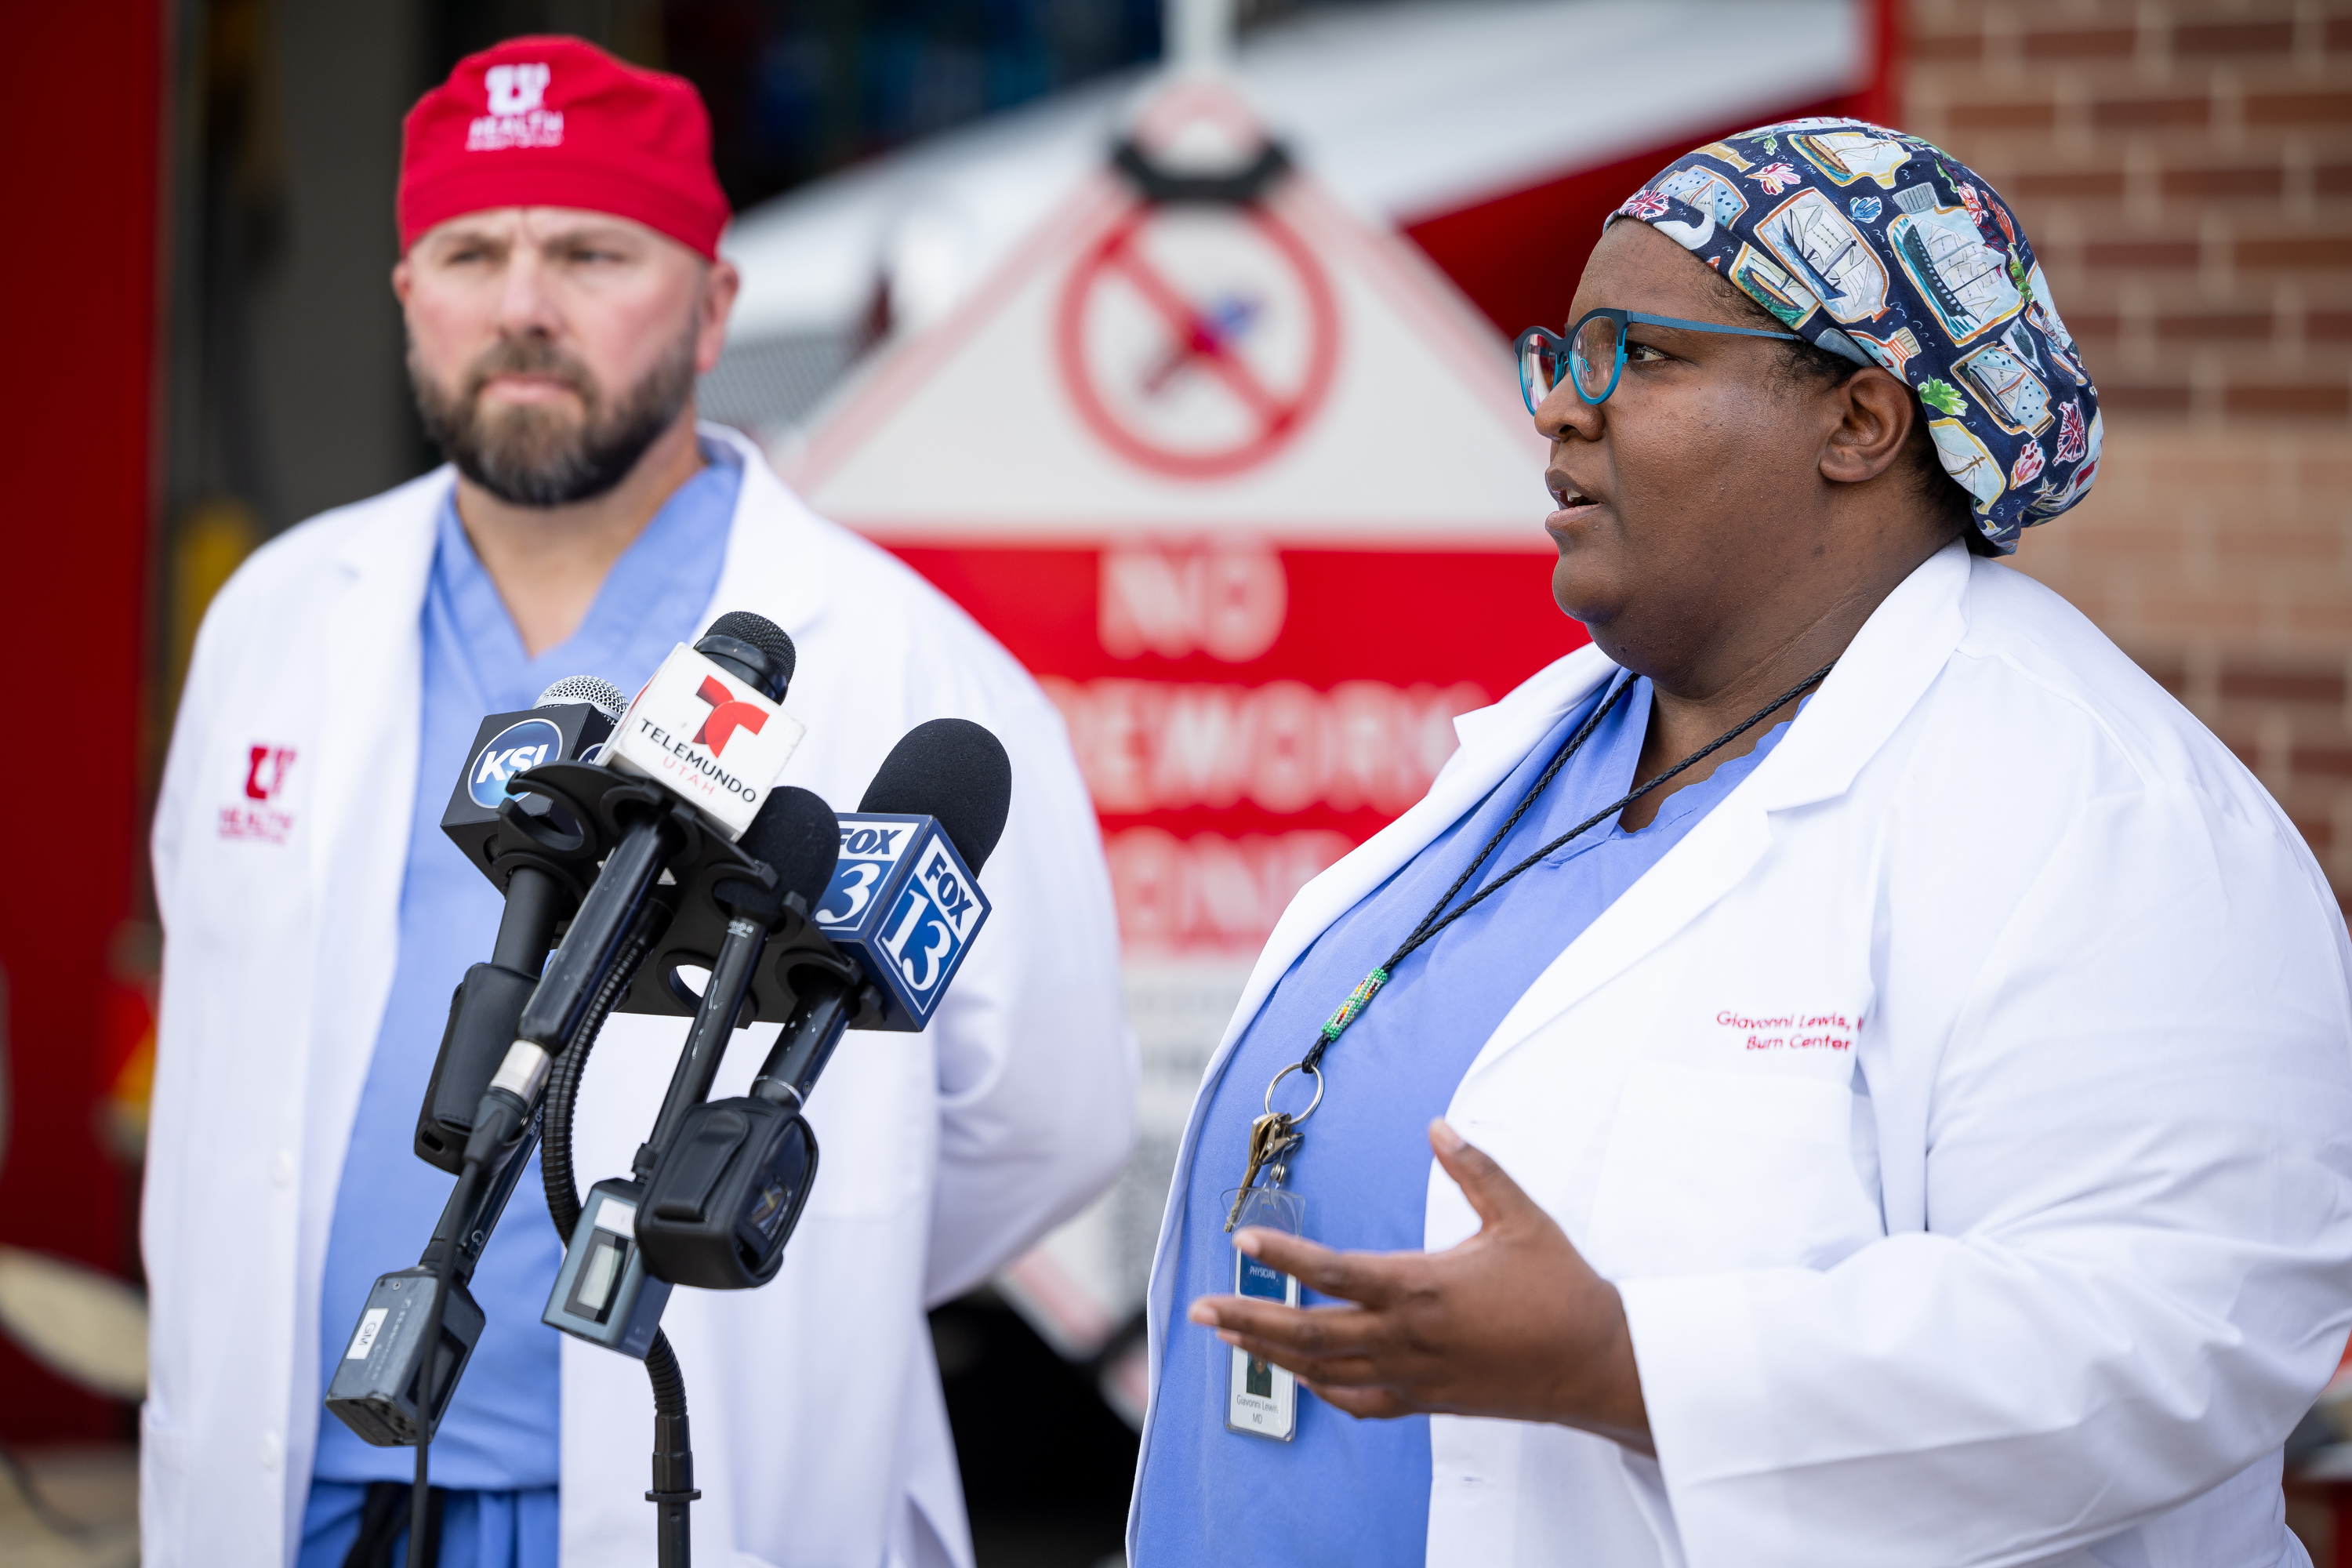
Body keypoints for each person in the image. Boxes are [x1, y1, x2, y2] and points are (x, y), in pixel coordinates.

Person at [1131, 118, 2352, 1567]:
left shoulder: (2113, 817)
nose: (1562, 410)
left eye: (1640, 356)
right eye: (1564, 356)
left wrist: (1628, 1363)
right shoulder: (1551, 747)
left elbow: (2174, 1336)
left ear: (1860, 423)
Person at [143, 36, 1132, 1568]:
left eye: (591, 253)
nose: (523, 304)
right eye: (471, 253)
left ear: (714, 305)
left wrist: (792, 1270)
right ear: (407, 292)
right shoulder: (276, 617)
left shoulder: (910, 666)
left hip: (694, 1485)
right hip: (302, 1490)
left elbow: (1048, 1120)